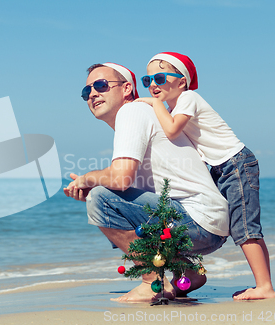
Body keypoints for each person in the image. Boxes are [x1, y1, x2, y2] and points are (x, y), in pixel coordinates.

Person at [64, 62, 229, 302]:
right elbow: (127, 188)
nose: (92, 94)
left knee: (100, 199)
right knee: (107, 195)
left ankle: (152, 282)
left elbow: (120, 178)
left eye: (101, 85)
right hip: (208, 224)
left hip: (197, 221)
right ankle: (187, 273)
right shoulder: (140, 116)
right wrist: (96, 182)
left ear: (127, 88)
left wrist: (88, 179)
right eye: (86, 91)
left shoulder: (131, 113)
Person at [135, 52, 275, 300]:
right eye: (147, 81)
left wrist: (153, 103)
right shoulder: (173, 107)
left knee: (245, 228)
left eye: (159, 77)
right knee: (239, 226)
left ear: (181, 81)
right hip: (220, 168)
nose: (153, 85)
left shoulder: (188, 98)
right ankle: (261, 283)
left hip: (235, 163)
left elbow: (171, 130)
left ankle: (264, 286)